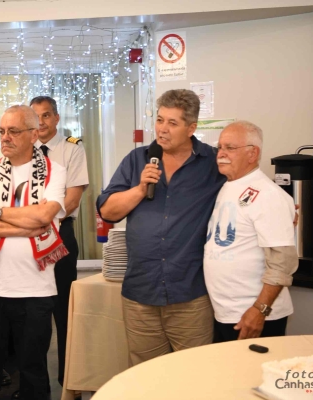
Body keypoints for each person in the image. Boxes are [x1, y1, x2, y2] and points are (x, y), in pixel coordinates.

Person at [96, 89, 226, 366]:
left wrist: (280, 209)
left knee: (196, 375)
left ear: (191, 128)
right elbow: (107, 211)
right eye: (159, 120)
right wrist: (140, 189)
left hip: (190, 294)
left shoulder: (212, 163)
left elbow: (248, 187)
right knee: (146, 376)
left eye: (172, 123)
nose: (162, 129)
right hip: (141, 293)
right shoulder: (137, 159)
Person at [0, 105, 67, 400]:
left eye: (13, 131)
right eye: (1, 131)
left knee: (33, 371)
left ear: (34, 134)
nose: (5, 137)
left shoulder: (54, 171)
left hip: (35, 291)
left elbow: (43, 216)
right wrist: (23, 227)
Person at [204, 121, 298, 342]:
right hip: (226, 313)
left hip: (255, 314)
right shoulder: (228, 186)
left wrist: (260, 310)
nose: (221, 154)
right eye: (220, 147)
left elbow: (282, 263)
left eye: (230, 148)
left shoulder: (269, 194)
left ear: (252, 153)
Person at [29, 96, 89, 389]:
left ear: (56, 118)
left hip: (60, 232)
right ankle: (34, 384)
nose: (40, 122)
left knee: (63, 310)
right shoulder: (24, 151)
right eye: (35, 117)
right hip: (28, 236)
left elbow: (72, 199)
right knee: (32, 312)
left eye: (45, 116)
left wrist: (42, 219)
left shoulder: (72, 149)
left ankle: (68, 382)